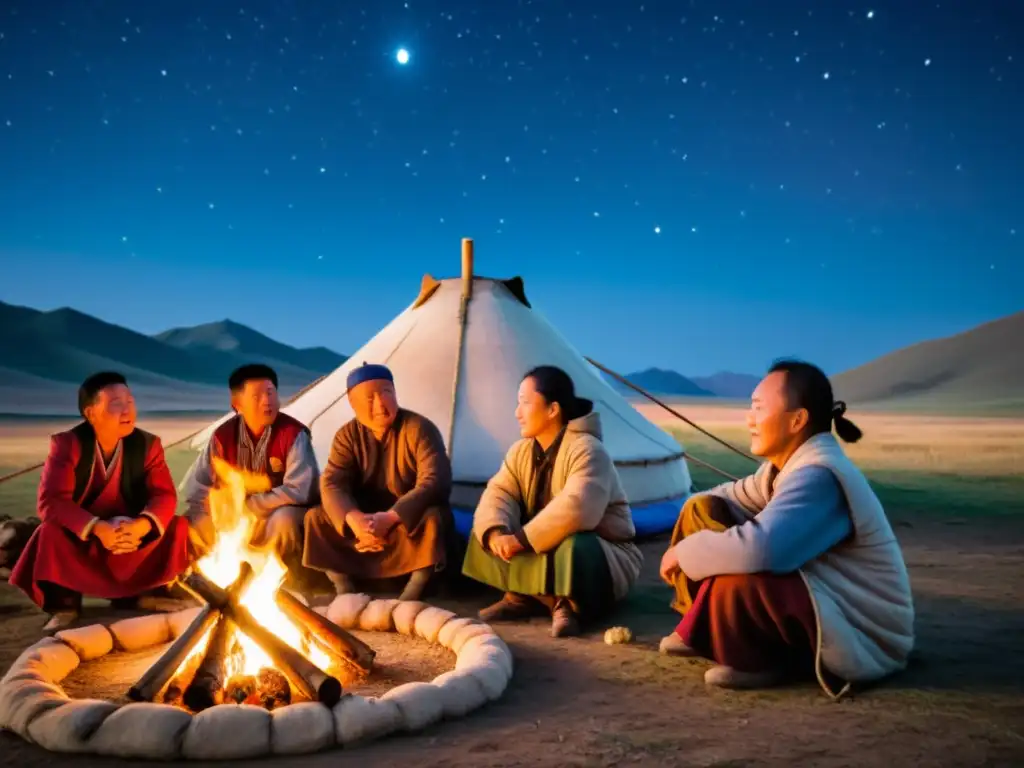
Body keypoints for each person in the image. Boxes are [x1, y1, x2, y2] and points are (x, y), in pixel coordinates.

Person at [658, 360, 915, 698]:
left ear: (797, 420)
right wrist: (699, 516)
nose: (749, 418)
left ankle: (764, 660)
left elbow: (761, 549)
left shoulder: (819, 476)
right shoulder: (783, 470)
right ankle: (702, 626)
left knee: (743, 574)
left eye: (759, 408)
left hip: (864, 632)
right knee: (700, 509)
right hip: (820, 595)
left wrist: (684, 551)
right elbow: (727, 496)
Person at [462, 365, 643, 638]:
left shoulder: (588, 450)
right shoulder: (521, 450)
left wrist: (520, 540)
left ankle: (567, 604)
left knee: (574, 545)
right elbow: (500, 491)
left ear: (552, 410)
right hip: (542, 545)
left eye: (524, 403)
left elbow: (579, 507)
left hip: (602, 553)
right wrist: (498, 532)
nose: (517, 412)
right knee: (484, 528)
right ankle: (524, 595)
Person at [9, 372, 191, 634]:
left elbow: (164, 495)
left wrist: (141, 525)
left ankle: (142, 594)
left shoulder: (148, 444)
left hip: (131, 535)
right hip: (85, 537)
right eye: (116, 403)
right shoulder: (68, 444)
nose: (127, 409)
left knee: (177, 526)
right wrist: (97, 528)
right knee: (48, 532)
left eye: (130, 401)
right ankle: (65, 606)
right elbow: (51, 501)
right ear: (91, 413)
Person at [303, 363, 453, 601]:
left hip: (404, 521)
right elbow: (333, 483)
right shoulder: (346, 436)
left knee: (434, 519)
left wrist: (392, 517)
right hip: (362, 521)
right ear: (352, 403)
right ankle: (344, 587)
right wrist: (354, 519)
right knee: (315, 518)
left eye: (386, 393)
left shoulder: (419, 428)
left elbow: (435, 480)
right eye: (370, 398)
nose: (381, 405)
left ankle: (413, 592)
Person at [183, 364, 318, 572]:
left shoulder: (292, 434)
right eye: (257, 396)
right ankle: (209, 579)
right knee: (193, 522)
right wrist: (211, 510)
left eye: (271, 393)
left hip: (279, 512)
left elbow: (299, 490)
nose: (267, 401)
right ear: (237, 404)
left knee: (284, 520)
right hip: (231, 514)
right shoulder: (223, 437)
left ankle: (289, 581)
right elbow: (199, 486)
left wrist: (251, 506)